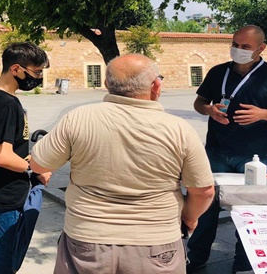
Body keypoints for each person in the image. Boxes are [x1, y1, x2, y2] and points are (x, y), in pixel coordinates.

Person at [29, 53, 215, 274]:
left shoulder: (78, 118)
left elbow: (39, 164)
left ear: (107, 84)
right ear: (156, 86)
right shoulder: (179, 129)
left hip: (88, 238)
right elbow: (203, 190)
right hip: (156, 241)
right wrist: (189, 218)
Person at [186, 25, 267, 274]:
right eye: (235, 44)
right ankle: (195, 259)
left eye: (245, 47)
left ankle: (244, 263)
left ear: (261, 48)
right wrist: (209, 110)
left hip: (255, 155)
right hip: (216, 152)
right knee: (206, 208)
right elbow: (199, 103)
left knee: (247, 211)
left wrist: (264, 114)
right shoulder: (218, 72)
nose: (238, 50)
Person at [0, 42, 52, 274]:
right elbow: (3, 156)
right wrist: (35, 169)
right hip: (6, 194)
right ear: (16, 69)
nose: (38, 78)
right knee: (6, 259)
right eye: (36, 72)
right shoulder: (6, 104)